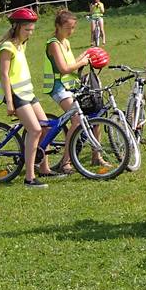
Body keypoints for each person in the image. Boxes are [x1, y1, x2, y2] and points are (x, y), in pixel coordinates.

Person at [0, 7, 60, 187]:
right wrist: (9, 102)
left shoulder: (21, 44)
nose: (30, 33)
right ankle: (29, 177)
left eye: (32, 29)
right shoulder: (7, 47)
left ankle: (44, 168)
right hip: (15, 94)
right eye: (27, 29)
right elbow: (4, 75)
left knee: (46, 127)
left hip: (27, 92)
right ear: (16, 27)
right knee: (35, 130)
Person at [42, 9, 92, 174]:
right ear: (58, 26)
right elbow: (64, 69)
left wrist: (82, 57)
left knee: (80, 118)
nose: (71, 31)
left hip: (68, 86)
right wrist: (81, 62)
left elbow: (70, 64)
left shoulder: (66, 42)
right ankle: (66, 162)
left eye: (73, 28)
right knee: (77, 121)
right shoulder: (54, 44)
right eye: (68, 28)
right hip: (57, 87)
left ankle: (68, 159)